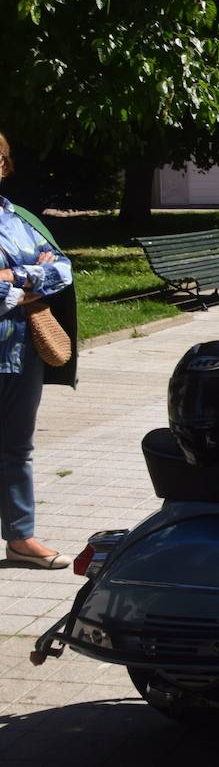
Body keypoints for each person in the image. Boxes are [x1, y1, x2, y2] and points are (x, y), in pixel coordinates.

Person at [0, 133, 77, 568]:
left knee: (16, 449)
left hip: (21, 352)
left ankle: (20, 537)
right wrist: (31, 278)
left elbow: (62, 267)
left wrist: (13, 277)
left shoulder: (19, 218)